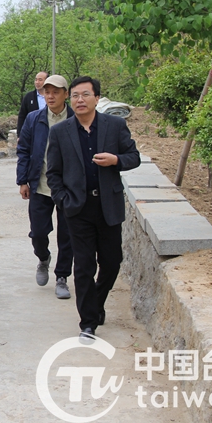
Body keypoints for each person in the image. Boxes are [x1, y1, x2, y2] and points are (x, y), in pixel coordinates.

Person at [47, 76, 140, 344]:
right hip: (78, 208)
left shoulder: (115, 125)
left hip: (108, 205)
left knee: (111, 262)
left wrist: (116, 160)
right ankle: (87, 322)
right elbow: (53, 173)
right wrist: (63, 199)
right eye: (75, 95)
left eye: (85, 94)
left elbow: (134, 157)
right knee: (84, 266)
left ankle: (96, 303)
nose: (80, 100)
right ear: (70, 98)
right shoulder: (60, 131)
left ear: (97, 98)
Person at [16, 75, 74, 299]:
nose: (50, 96)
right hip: (40, 184)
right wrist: (23, 180)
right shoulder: (34, 119)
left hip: (68, 188)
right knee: (38, 232)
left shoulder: (75, 118)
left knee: (67, 234)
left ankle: (62, 277)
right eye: (47, 92)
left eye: (56, 92)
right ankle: (43, 258)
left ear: (66, 94)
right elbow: (24, 150)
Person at [16, 71, 49, 138]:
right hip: (32, 132)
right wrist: (19, 135)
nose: (37, 82)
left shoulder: (51, 97)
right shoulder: (29, 97)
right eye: (36, 80)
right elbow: (22, 116)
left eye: (40, 80)